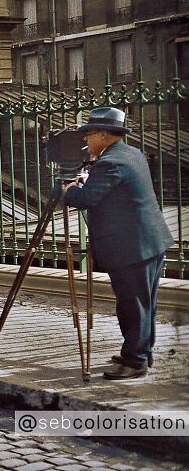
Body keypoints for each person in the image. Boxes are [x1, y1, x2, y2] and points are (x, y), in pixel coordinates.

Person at [63, 107, 174, 380]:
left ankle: (134, 362)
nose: (86, 140)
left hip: (132, 247)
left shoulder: (110, 163)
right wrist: (88, 182)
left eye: (89, 134)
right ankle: (140, 351)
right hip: (149, 241)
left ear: (103, 134)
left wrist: (67, 190)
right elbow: (111, 190)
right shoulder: (130, 154)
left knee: (132, 304)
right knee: (145, 302)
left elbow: (85, 199)